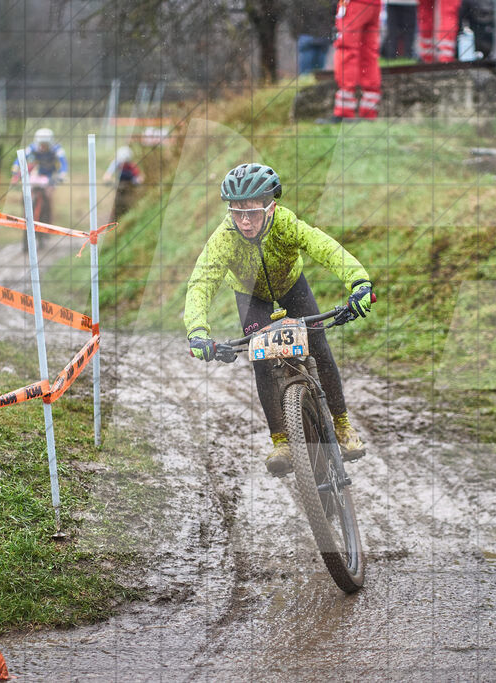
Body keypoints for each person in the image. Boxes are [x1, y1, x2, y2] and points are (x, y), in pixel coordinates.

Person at [184, 163, 375, 476]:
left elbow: (323, 247)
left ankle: (342, 427)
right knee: (261, 360)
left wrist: (359, 282)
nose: (245, 221)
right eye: (237, 212)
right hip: (250, 297)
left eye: (253, 212)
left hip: (291, 286)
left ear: (270, 208)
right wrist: (198, 332)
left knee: (318, 345)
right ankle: (282, 441)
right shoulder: (224, 239)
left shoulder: (285, 223)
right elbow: (201, 282)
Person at [320, 0, 382, 122]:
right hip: (374, 4)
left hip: (354, 4)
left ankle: (344, 111)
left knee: (347, 50)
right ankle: (369, 112)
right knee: (369, 54)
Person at [289, 0, 337, 74]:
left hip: (306, 35)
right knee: (319, 72)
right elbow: (335, 15)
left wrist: (296, 33)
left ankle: (307, 82)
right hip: (322, 36)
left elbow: (294, 16)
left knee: (306, 72)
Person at [102, 146, 143, 218]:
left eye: (125, 162)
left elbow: (139, 177)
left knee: (129, 206)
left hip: (129, 188)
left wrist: (137, 181)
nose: (122, 164)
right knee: (117, 206)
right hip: (119, 187)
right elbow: (107, 175)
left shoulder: (131, 165)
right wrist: (108, 180)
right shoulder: (116, 163)